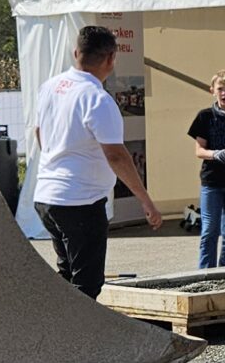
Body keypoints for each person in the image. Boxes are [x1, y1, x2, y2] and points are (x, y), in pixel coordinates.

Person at [29, 23, 160, 297]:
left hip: (46, 195)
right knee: (86, 285)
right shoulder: (97, 99)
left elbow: (39, 132)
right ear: (111, 59)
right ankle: (75, 338)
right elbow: (116, 155)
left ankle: (58, 331)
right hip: (80, 200)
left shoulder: (50, 88)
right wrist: (145, 200)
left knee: (67, 275)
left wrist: (58, 161)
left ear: (76, 52)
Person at [188, 72, 225, 269]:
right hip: (212, 182)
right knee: (210, 230)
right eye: (220, 89)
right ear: (213, 91)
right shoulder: (205, 116)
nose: (224, 93)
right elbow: (199, 151)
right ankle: (205, 273)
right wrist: (215, 154)